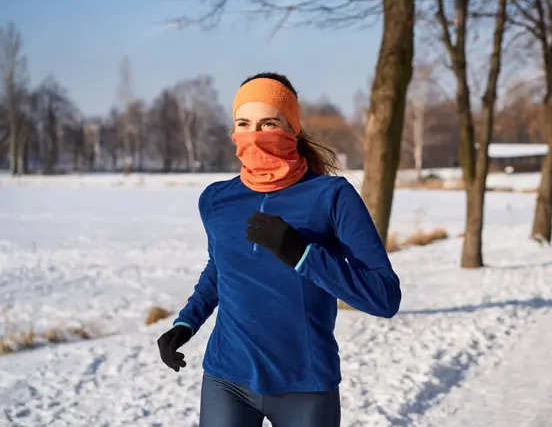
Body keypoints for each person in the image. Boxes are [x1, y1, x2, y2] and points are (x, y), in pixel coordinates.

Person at [157, 72, 401, 427]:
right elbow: (219, 269)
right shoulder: (215, 200)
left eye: (268, 123)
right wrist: (186, 322)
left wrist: (303, 255)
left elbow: (384, 297)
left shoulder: (331, 196)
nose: (254, 135)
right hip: (227, 378)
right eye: (244, 123)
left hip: (305, 385)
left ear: (293, 129)